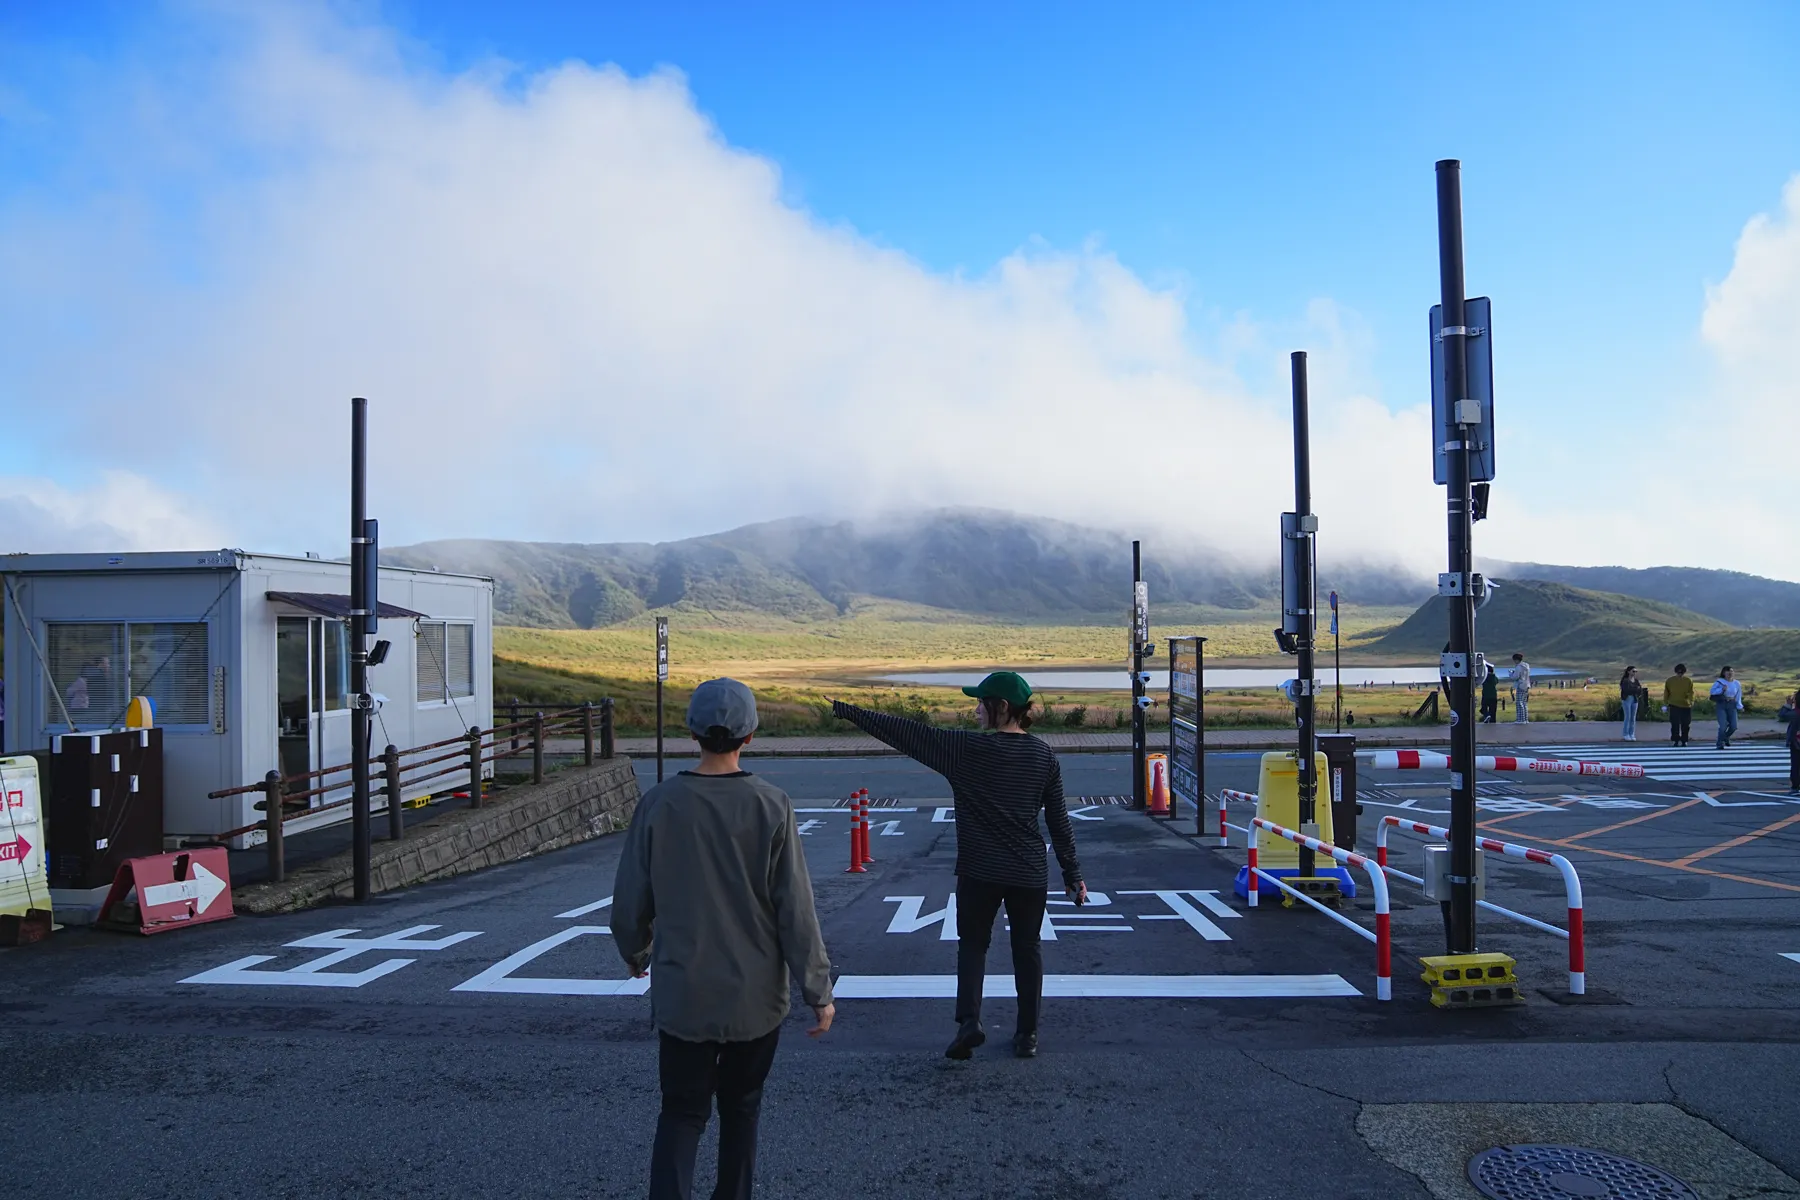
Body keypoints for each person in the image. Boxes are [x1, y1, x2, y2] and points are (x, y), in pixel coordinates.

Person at [611, 677, 835, 1200]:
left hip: (684, 992)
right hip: (755, 998)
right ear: (750, 735)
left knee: (682, 1111)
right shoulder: (771, 804)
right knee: (741, 1109)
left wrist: (637, 952)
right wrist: (817, 991)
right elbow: (796, 911)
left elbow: (628, 904)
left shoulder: (660, 804)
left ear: (692, 732)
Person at [832, 671, 1084, 1061]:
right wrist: (1073, 876)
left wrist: (849, 711)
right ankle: (1028, 1034)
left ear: (1001, 708)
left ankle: (970, 1022)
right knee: (1028, 949)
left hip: (979, 869)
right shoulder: (1043, 755)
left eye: (981, 702)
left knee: (973, 946)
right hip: (1028, 872)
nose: (975, 709)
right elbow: (1059, 822)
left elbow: (905, 732)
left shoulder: (965, 750)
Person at [1710, 666, 1744, 750]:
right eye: (1728, 672)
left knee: (1734, 726)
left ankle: (1725, 737)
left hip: (1732, 704)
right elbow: (1712, 692)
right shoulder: (1719, 682)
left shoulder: (1737, 683)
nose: (1730, 673)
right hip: (1721, 704)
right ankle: (1719, 743)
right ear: (1724, 673)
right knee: (1723, 726)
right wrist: (1722, 689)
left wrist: (1740, 706)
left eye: (1731, 672)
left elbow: (1738, 695)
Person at [1663, 663, 1694, 746]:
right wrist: (1665, 702)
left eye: (1681, 673)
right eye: (1678, 673)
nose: (1680, 674)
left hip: (1686, 705)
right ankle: (1675, 740)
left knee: (1686, 724)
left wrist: (1691, 701)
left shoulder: (1688, 680)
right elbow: (1666, 692)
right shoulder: (1670, 681)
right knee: (1674, 724)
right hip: (1673, 704)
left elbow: (1691, 692)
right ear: (1676, 672)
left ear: (1684, 672)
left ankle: (1684, 740)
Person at [1778, 690, 1800, 796]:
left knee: (1796, 765)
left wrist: (1787, 704)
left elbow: (1782, 716)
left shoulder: (1796, 713)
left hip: (1796, 742)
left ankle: (1795, 787)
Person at [1619, 666, 1642, 741]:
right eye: (1633, 671)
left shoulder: (1636, 680)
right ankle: (1625, 734)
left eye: (1635, 671)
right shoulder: (1625, 680)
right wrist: (1635, 689)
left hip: (1634, 699)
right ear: (1628, 671)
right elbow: (1627, 690)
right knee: (1627, 717)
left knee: (1633, 718)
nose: (1634, 673)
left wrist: (1635, 690)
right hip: (1627, 699)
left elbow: (1640, 690)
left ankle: (1632, 733)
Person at [1510, 652, 1532, 723]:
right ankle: (1525, 719)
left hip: (1521, 685)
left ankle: (1520, 719)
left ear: (1516, 660)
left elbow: (1515, 677)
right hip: (1527, 685)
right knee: (1524, 703)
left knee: (1519, 703)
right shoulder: (1526, 666)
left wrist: (1511, 674)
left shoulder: (1519, 667)